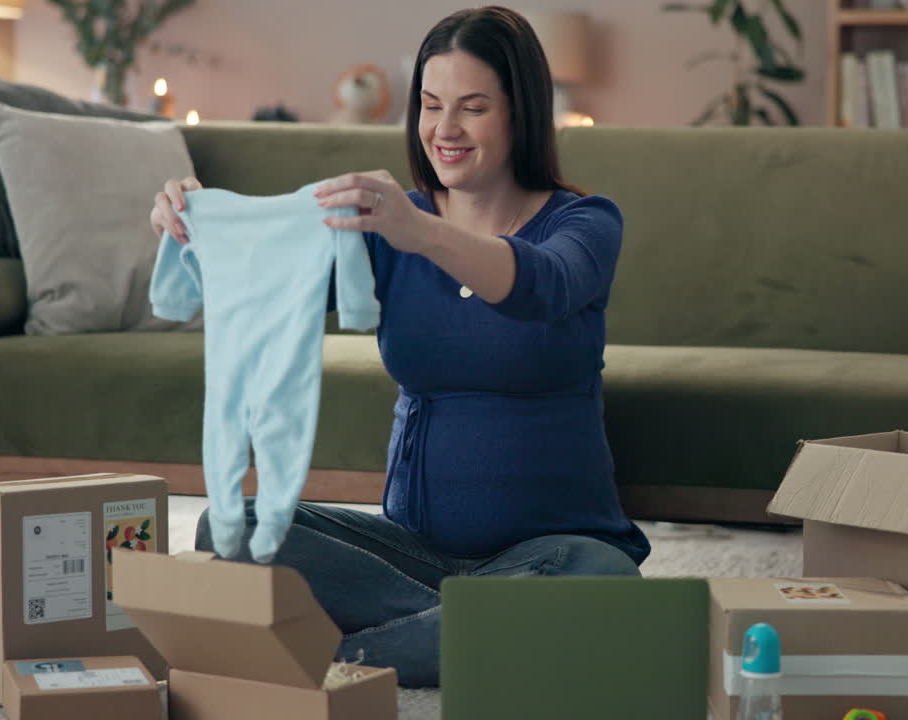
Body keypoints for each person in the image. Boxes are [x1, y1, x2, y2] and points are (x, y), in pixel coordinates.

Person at [148, 5, 650, 688]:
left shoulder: (585, 223)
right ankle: (463, 633)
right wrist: (195, 224)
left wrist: (420, 231)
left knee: (604, 582)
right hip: (409, 553)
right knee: (231, 525)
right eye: (431, 104)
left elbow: (544, 286)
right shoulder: (390, 230)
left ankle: (333, 655)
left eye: (472, 107)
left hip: (559, 554)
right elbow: (269, 279)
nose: (445, 129)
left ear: (521, 114)